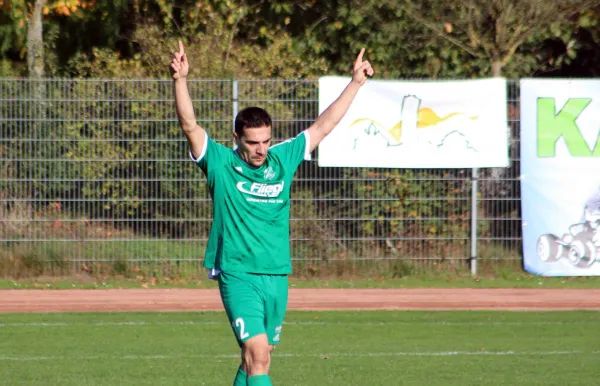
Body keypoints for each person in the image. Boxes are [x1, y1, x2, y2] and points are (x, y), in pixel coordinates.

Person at [169, 40, 374, 386]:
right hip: (238, 272)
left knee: (257, 360)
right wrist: (180, 81)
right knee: (258, 355)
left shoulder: (282, 159)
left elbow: (323, 126)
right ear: (237, 138)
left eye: (265, 141)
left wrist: (354, 83)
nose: (261, 149)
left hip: (277, 272)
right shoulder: (220, 162)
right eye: (252, 142)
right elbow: (190, 126)